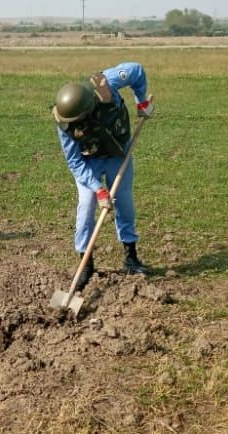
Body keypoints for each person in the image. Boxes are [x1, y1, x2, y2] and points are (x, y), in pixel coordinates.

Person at [52, 62, 154, 291]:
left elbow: (136, 70)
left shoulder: (105, 82)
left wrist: (142, 102)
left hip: (118, 154)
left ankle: (131, 258)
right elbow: (74, 162)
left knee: (124, 203)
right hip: (89, 163)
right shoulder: (64, 123)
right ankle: (86, 265)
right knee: (86, 206)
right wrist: (98, 189)